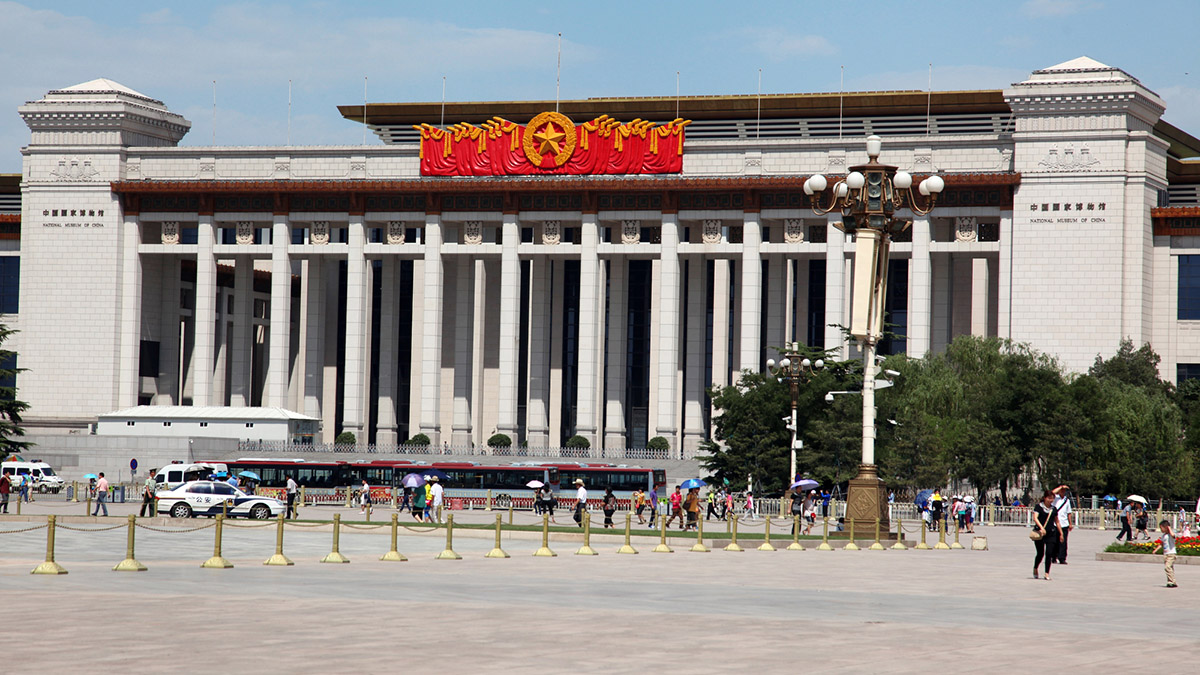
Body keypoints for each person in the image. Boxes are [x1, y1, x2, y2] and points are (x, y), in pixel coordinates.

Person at [1031, 488, 1063, 580]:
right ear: (1044, 498)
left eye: (1052, 498)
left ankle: (1046, 573)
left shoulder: (1053, 509)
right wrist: (1041, 528)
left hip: (1051, 533)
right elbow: (1035, 518)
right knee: (1040, 553)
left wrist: (1061, 533)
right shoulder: (1038, 507)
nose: (1051, 500)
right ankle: (1036, 567)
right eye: (1049, 498)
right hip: (1040, 533)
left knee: (1049, 553)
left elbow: (1057, 522)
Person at [1153, 519, 1179, 588]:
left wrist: (1169, 528)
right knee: (1170, 568)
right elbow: (1161, 544)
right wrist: (1156, 550)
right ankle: (1171, 581)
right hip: (1166, 554)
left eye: (1161, 528)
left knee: (1167, 567)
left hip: (1171, 554)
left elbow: (1173, 535)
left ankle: (1172, 581)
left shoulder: (1171, 535)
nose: (1161, 530)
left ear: (1166, 527)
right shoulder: (1164, 536)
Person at [1052, 486, 1074, 564]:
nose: (1062, 492)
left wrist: (1070, 523)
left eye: (1064, 490)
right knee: (1054, 541)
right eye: (1061, 490)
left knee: (1063, 542)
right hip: (1055, 523)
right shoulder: (1055, 498)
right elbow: (1052, 492)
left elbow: (1069, 513)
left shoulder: (1067, 500)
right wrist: (1061, 487)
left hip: (1064, 523)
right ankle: (1053, 557)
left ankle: (1062, 558)